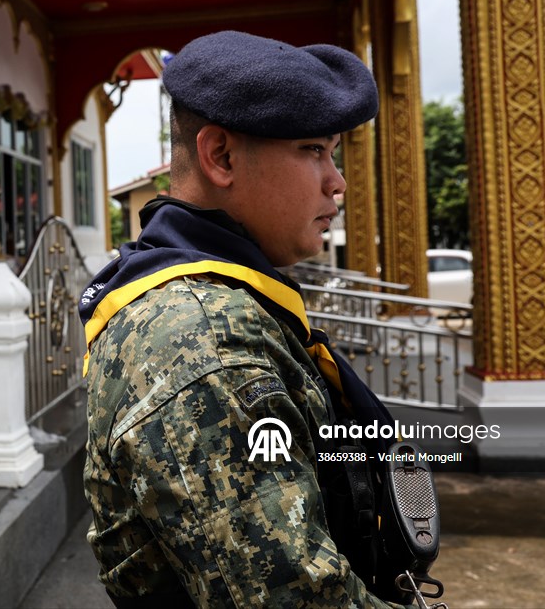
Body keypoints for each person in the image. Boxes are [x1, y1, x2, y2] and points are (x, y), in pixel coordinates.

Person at [79, 31, 411, 608]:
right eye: (313, 150)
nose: (338, 180)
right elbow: (296, 598)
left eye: (332, 152)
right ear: (221, 157)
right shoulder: (202, 338)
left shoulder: (223, 294)